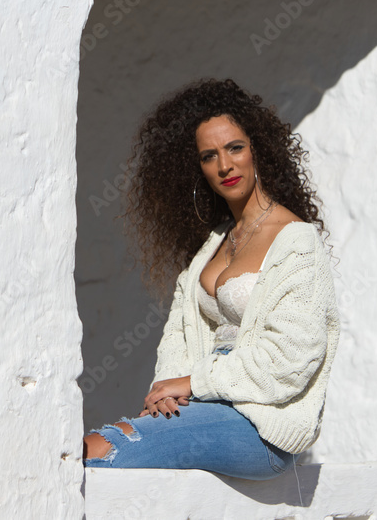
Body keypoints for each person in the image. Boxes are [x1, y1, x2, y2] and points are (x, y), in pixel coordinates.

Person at [82, 78, 339, 480]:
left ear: (258, 149)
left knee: (101, 450)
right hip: (202, 404)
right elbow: (181, 332)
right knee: (85, 450)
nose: (224, 166)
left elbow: (292, 360)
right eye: (209, 156)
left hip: (261, 424)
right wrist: (166, 389)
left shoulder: (297, 243)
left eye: (235, 148)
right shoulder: (213, 244)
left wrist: (192, 382)